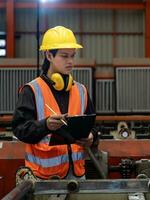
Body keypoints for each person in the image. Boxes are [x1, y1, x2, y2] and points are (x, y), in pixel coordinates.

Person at [12, 26, 98, 180]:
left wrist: (92, 136)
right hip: (43, 179)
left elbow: (93, 127)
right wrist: (45, 125)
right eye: (64, 56)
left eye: (73, 56)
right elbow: (20, 130)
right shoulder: (32, 90)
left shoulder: (81, 91)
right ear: (49, 55)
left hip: (77, 177)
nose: (70, 61)